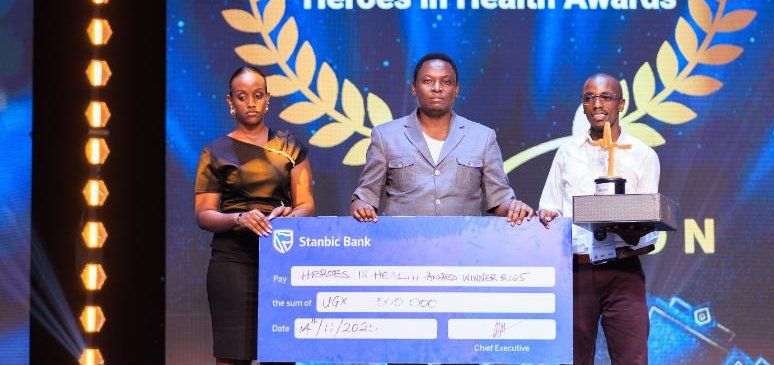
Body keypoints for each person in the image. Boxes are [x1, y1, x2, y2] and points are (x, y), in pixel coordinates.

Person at [194, 66, 315, 365]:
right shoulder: (215, 151)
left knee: (281, 356)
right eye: (242, 96)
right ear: (230, 101)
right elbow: (204, 214)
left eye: (258, 95)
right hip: (232, 262)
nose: (251, 103)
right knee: (232, 357)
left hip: (281, 262)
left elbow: (306, 206)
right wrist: (239, 218)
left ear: (267, 99)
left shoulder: (290, 146)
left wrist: (288, 218)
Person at [538, 73, 659, 365]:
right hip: (576, 271)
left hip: (623, 270)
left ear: (622, 104)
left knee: (632, 358)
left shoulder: (643, 155)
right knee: (573, 359)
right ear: (582, 106)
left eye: (606, 97)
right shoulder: (567, 153)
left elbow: (649, 222)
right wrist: (548, 216)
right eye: (589, 98)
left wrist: (632, 230)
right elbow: (549, 206)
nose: (597, 104)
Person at [350, 52, 534, 223]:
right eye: (427, 81)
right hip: (402, 244)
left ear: (456, 89)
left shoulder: (483, 137)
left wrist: (513, 207)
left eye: (446, 82)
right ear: (414, 88)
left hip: (464, 244)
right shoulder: (386, 136)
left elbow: (500, 199)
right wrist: (361, 207)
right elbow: (364, 197)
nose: (437, 88)